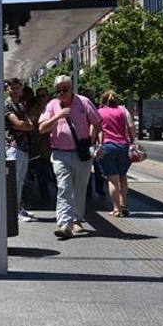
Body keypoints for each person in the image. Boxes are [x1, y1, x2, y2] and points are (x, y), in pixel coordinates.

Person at [38, 75, 102, 239]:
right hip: (60, 153)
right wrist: (57, 117)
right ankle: (65, 224)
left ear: (71, 88)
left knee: (80, 189)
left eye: (64, 90)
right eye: (58, 90)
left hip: (81, 153)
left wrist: (91, 142)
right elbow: (42, 128)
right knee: (64, 187)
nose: (61, 93)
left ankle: (76, 219)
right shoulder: (52, 105)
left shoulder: (84, 102)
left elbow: (97, 123)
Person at [96, 91, 136, 217]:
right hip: (123, 146)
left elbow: (94, 129)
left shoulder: (99, 112)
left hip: (106, 147)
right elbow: (131, 126)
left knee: (113, 180)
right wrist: (133, 140)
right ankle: (124, 205)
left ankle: (116, 208)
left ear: (103, 100)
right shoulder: (123, 110)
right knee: (123, 177)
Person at [4, 78, 36, 222]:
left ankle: (18, 207)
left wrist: (27, 125)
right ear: (8, 90)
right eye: (13, 88)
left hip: (23, 146)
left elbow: (28, 124)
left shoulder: (21, 105)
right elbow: (17, 124)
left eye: (18, 88)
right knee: (13, 181)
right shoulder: (6, 105)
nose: (16, 91)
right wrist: (27, 125)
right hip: (12, 146)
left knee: (20, 180)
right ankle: (13, 211)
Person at [27, 87, 54, 206]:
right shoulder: (34, 110)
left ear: (48, 96)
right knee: (42, 175)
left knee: (58, 176)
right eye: (39, 96)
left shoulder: (55, 107)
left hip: (54, 146)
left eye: (44, 95)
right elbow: (32, 126)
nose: (42, 98)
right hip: (40, 148)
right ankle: (45, 197)